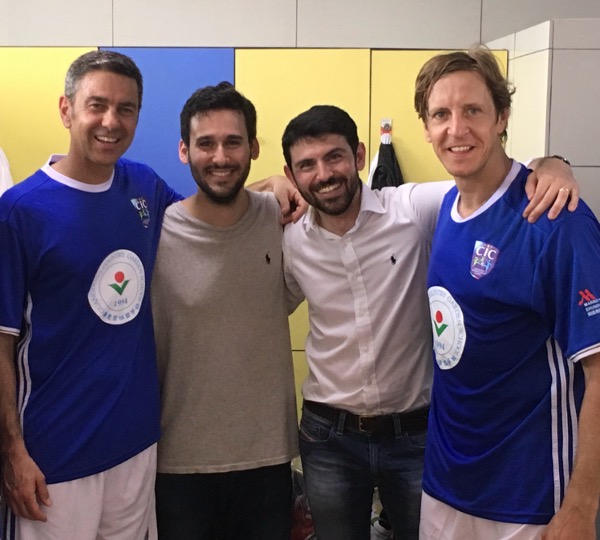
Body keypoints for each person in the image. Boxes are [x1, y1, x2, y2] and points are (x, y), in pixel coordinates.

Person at [279, 104, 579, 540]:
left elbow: (491, 181)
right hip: (330, 438)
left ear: (359, 155)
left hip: (416, 434)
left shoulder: (411, 209)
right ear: (291, 175)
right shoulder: (291, 241)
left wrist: (552, 164)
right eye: (307, 165)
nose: (324, 174)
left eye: (334, 157)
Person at [415, 46, 600, 540]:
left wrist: (582, 507)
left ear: (502, 116)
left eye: (473, 110)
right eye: (441, 114)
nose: (456, 129)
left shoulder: (554, 220)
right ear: (426, 127)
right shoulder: (446, 207)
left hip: (530, 499)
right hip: (446, 486)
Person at [0, 51, 180, 539]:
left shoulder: (143, 185)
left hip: (134, 444)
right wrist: (11, 450)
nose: (110, 121)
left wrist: (272, 186)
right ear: (66, 110)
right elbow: (2, 342)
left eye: (126, 109)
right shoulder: (19, 212)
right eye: (96, 105)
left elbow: (204, 222)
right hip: (52, 457)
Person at [151, 82, 299, 540]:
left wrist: (277, 182)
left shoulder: (283, 218)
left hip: (268, 460)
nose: (220, 157)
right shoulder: (155, 233)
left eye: (233, 142)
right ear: (183, 151)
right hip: (178, 464)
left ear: (253, 147)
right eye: (206, 143)